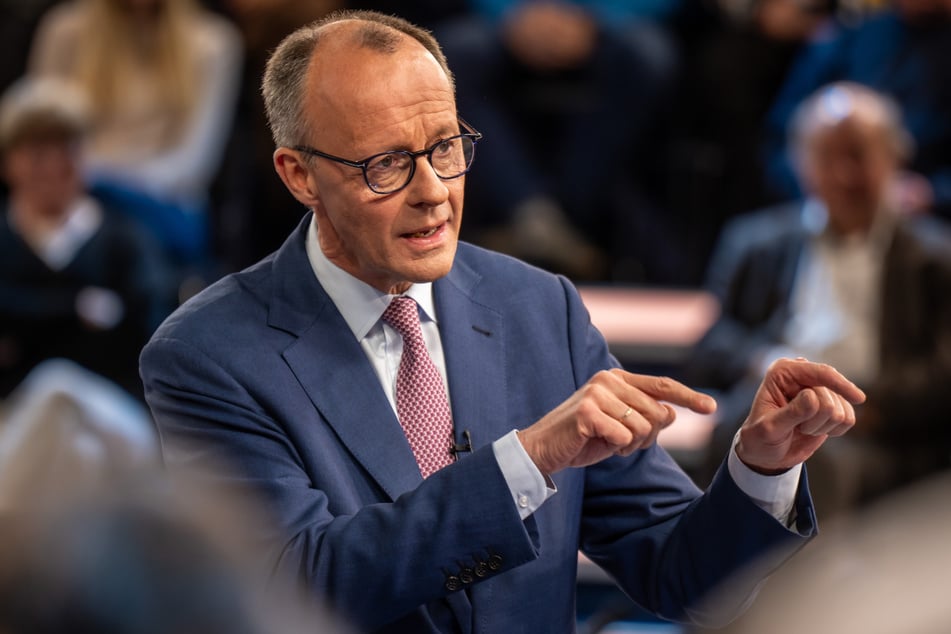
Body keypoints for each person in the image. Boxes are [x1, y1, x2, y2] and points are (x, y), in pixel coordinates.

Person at [140, 11, 865, 633]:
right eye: (387, 164)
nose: (433, 193)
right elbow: (290, 591)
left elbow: (686, 581)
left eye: (446, 147)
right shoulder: (208, 354)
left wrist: (760, 466)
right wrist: (529, 459)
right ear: (299, 175)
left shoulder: (537, 307)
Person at [685, 82, 951, 515]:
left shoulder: (937, 257)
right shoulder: (755, 244)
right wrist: (766, 365)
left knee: (814, 459)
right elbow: (714, 345)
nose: (845, 175)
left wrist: (862, 407)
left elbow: (943, 370)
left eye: (858, 155)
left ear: (893, 159)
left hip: (879, 433)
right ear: (801, 162)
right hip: (771, 411)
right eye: (828, 157)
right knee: (747, 434)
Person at [434, 0, 683, 282]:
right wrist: (510, 15)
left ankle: (556, 217)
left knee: (647, 53)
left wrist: (596, 20)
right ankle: (536, 214)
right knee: (450, 54)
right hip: (509, 20)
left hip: (611, 22)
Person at [27, 0, 243, 267]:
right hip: (77, 192)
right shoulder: (65, 31)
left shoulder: (213, 43)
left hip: (161, 200)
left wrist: (108, 184)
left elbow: (193, 163)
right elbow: (41, 133)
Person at [0, 76, 178, 400]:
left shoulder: (125, 240)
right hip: (12, 415)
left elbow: (151, 333)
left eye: (67, 149)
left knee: (62, 392)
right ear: (9, 162)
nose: (54, 166)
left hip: (109, 412)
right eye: (38, 152)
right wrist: (76, 309)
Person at [763, 0, 951, 220]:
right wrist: (816, 188)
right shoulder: (850, 39)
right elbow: (780, 134)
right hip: (822, 215)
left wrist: (934, 193)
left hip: (926, 220)